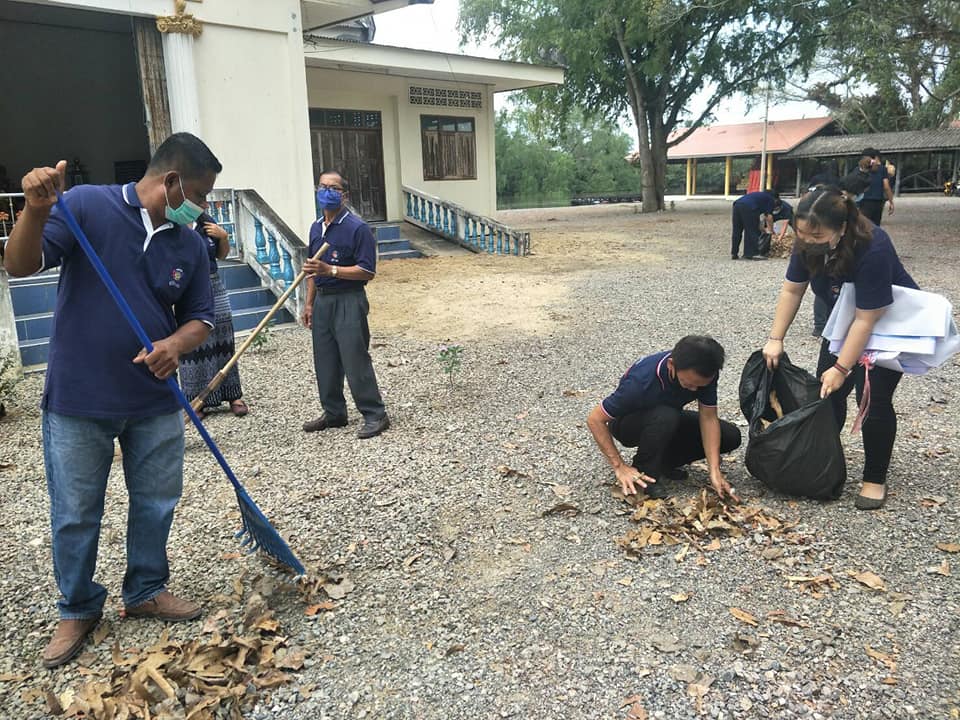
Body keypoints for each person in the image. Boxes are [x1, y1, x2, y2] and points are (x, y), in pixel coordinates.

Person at [3, 133, 220, 668]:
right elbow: (20, 265)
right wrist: (32, 212)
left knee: (157, 501)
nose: (202, 206)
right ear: (170, 182)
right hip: (79, 399)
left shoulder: (188, 242)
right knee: (75, 512)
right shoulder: (85, 205)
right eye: (198, 193)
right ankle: (77, 606)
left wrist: (174, 344)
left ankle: (146, 589)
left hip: (154, 400)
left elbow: (202, 317)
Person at [762, 186, 918, 510]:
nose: (805, 239)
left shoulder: (872, 247)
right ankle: (824, 458)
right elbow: (792, 291)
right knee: (827, 393)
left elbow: (867, 319)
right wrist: (775, 338)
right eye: (801, 231)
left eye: (815, 234)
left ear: (842, 226)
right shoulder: (808, 241)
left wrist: (842, 368)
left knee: (872, 399)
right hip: (845, 319)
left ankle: (874, 477)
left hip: (886, 323)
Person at [586, 335, 742, 500]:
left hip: (666, 418)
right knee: (666, 415)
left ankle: (663, 463)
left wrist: (714, 470)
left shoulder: (705, 374)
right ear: (671, 365)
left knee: (730, 436)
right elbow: (595, 419)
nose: (695, 390)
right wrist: (619, 466)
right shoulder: (641, 381)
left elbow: (709, 418)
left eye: (700, 386)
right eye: (689, 384)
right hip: (627, 424)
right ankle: (643, 475)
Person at [301, 170, 389, 440]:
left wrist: (333, 270)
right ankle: (334, 412)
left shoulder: (357, 228)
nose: (326, 192)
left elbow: (367, 271)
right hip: (324, 302)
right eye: (322, 186)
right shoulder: (316, 227)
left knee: (354, 358)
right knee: (325, 359)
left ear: (344, 195)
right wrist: (309, 303)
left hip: (349, 299)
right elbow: (313, 270)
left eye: (333, 188)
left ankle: (375, 414)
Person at [179, 212, 248, 419]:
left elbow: (222, 255)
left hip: (214, 283)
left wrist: (224, 236)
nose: (202, 203)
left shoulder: (207, 222)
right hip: (187, 287)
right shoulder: (174, 222)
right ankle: (196, 400)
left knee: (223, 336)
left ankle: (233, 394)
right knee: (192, 340)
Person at [843, 148, 894, 225]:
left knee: (862, 225)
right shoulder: (882, 169)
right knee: (875, 226)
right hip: (878, 201)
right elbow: (886, 187)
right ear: (875, 157)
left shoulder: (858, 170)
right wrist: (891, 202)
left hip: (863, 202)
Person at [731, 190, 783, 260]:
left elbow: (757, 220)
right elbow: (769, 216)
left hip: (737, 205)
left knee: (737, 230)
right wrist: (771, 231)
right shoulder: (770, 199)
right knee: (752, 231)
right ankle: (751, 254)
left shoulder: (759, 196)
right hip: (749, 207)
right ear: (775, 198)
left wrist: (762, 229)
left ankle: (734, 253)